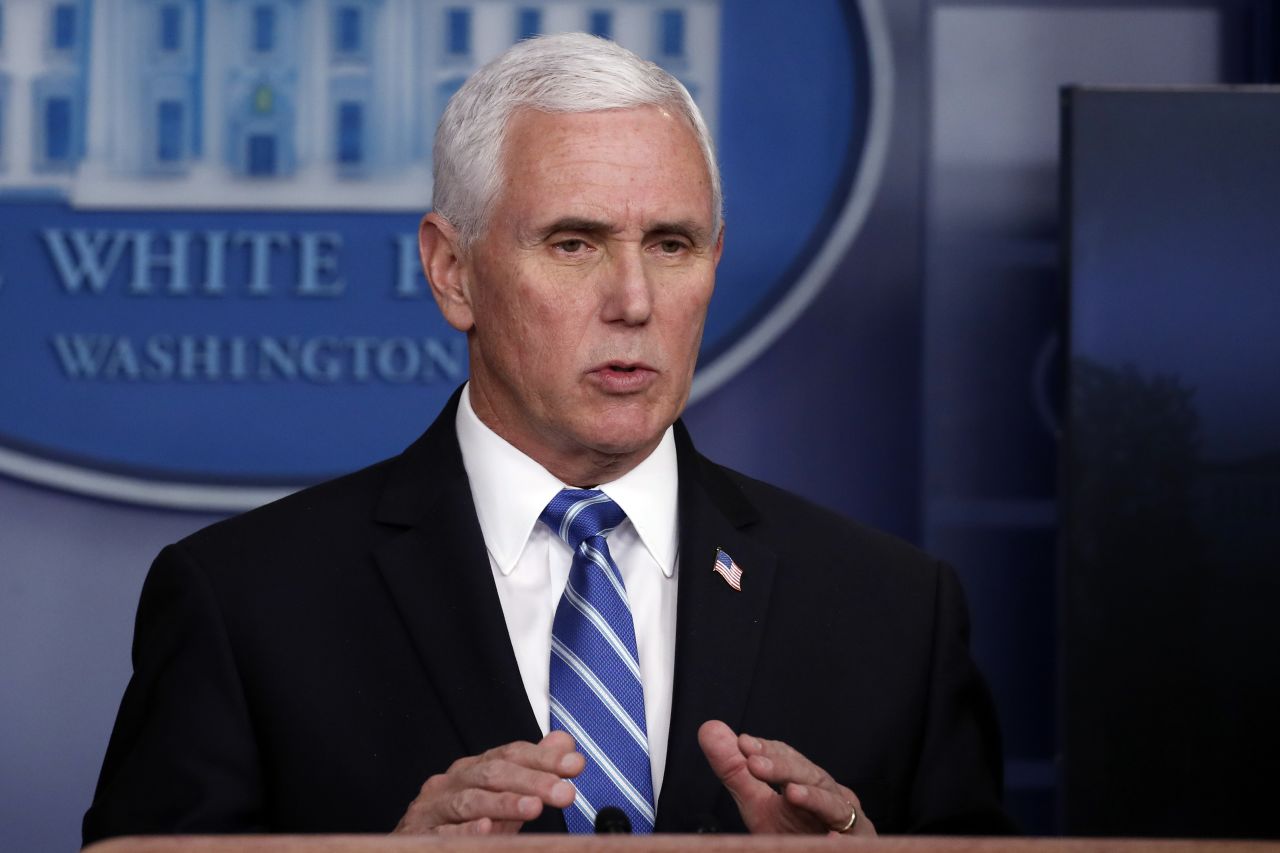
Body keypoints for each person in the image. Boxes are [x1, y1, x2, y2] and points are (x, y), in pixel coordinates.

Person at [83, 33, 1012, 843]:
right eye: (575, 242)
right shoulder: (247, 604)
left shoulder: (894, 612)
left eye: (672, 245)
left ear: (714, 264)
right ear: (453, 273)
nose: (634, 301)